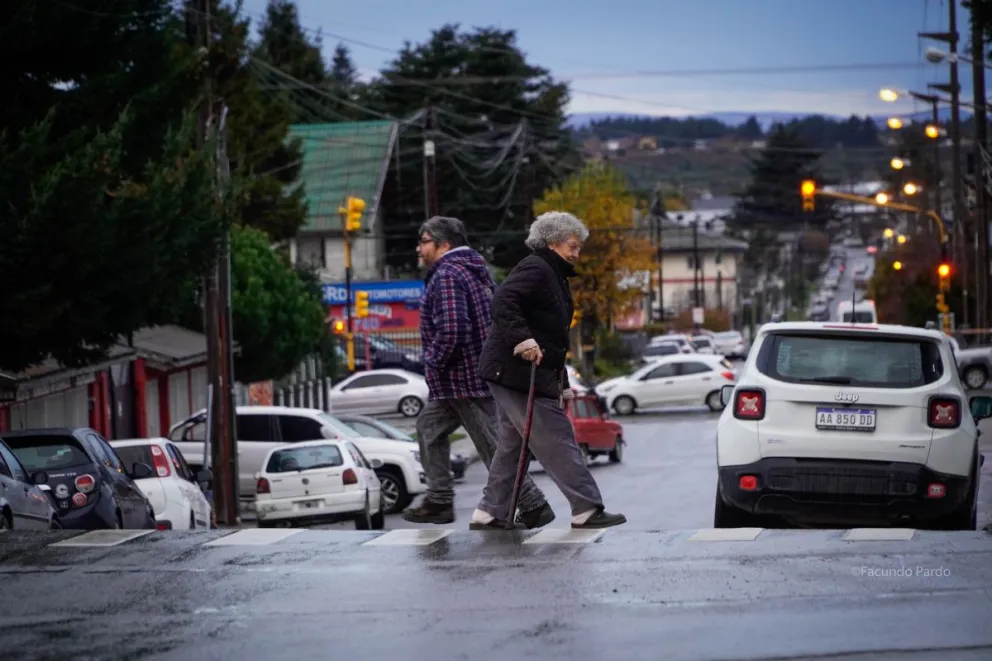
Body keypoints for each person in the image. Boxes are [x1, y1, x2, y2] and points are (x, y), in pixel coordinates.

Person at [471, 211, 626, 530]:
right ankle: (586, 508)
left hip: (522, 373)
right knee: (557, 437)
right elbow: (503, 300)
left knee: (513, 447)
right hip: (515, 373)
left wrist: (562, 380)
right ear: (553, 241)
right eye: (573, 246)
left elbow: (552, 337)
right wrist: (522, 340)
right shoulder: (537, 268)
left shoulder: (553, 274)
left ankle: (489, 512)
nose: (577, 253)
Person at [402, 216, 555, 528]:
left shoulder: (448, 274)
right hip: (463, 379)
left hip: (464, 379)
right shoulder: (476, 272)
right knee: (429, 429)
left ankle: (533, 504)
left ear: (444, 244)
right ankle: (439, 498)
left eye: (424, 241)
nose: (419, 248)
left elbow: (453, 329)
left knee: (491, 445)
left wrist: (432, 361)